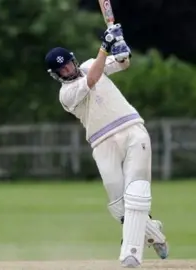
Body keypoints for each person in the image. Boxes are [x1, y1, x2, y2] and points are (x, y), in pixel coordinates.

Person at [44, 24, 169, 267]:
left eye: (68, 63)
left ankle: (131, 254)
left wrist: (120, 47)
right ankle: (154, 232)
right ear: (56, 74)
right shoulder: (66, 94)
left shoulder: (91, 63)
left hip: (132, 129)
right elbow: (92, 80)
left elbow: (123, 63)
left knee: (136, 194)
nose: (68, 69)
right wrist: (105, 45)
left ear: (73, 59)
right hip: (102, 142)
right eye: (62, 69)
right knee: (117, 206)